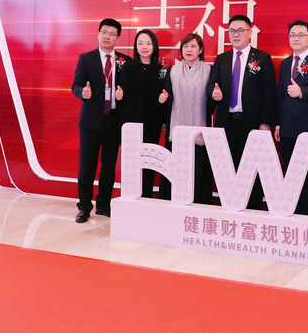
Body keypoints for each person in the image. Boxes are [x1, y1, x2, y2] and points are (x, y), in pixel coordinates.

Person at [207, 15, 276, 210]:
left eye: (240, 31)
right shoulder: (222, 59)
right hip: (226, 122)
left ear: (250, 33)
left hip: (252, 123)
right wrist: (213, 92)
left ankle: (252, 209)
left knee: (252, 168)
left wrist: (265, 123)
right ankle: (231, 206)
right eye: (232, 31)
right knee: (228, 167)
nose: (235, 35)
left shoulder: (262, 58)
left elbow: (269, 93)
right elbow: (211, 84)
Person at [72, 18, 131, 223]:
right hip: (90, 121)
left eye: (112, 34)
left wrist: (124, 93)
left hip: (113, 121)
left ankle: (104, 204)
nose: (107, 36)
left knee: (108, 166)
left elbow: (129, 86)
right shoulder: (86, 59)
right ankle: (84, 207)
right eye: (104, 32)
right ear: (98, 34)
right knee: (86, 166)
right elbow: (76, 85)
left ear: (118, 38)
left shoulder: (125, 61)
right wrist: (83, 92)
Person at [275, 20, 308, 216]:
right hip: (287, 128)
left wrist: (301, 92)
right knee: (290, 173)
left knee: (307, 174)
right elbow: (281, 96)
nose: (296, 39)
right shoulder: (285, 63)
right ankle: (292, 213)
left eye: (300, 35)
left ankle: (307, 216)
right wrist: (278, 124)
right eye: (292, 35)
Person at [159, 33, 212, 203]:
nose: (189, 50)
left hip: (200, 130)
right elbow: (168, 92)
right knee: (175, 169)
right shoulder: (172, 70)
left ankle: (197, 205)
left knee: (198, 169)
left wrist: (215, 96)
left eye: (193, 46)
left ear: (200, 50)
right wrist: (164, 97)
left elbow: (211, 98)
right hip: (177, 127)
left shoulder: (208, 70)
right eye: (186, 46)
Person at [116, 29, 167, 198]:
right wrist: (121, 92)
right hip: (131, 122)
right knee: (131, 162)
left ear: (154, 46)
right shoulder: (129, 66)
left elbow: (164, 95)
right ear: (135, 46)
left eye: (148, 43)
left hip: (152, 123)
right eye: (140, 43)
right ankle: (129, 198)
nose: (144, 47)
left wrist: (164, 99)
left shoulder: (160, 69)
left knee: (148, 161)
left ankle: (146, 198)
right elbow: (124, 85)